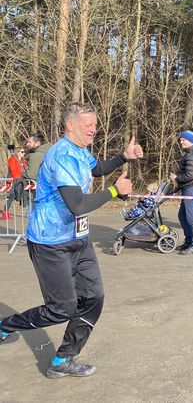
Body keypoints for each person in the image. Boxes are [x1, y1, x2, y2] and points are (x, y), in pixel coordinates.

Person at [0, 102, 141, 378]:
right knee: (61, 309)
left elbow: (97, 168)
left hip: (79, 240)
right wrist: (114, 191)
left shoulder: (80, 151)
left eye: (95, 124)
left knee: (94, 298)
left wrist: (123, 157)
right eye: (88, 125)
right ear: (70, 125)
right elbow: (77, 204)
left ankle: (62, 359)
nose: (94, 129)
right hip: (50, 243)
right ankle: (6, 325)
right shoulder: (61, 155)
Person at [170, 130, 193, 255]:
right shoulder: (189, 153)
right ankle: (189, 241)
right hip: (188, 188)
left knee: (191, 218)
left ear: (189, 140)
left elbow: (190, 175)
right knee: (182, 216)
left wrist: (176, 178)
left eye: (182, 139)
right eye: (180, 139)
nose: (180, 141)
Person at [1, 146, 29, 220]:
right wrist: (18, 178)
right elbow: (13, 171)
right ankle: (5, 212)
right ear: (17, 152)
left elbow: (26, 170)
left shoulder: (23, 161)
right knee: (12, 196)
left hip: (21, 181)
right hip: (14, 181)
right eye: (22, 152)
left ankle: (5, 211)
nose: (24, 153)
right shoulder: (12, 160)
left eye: (24, 152)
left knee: (16, 197)